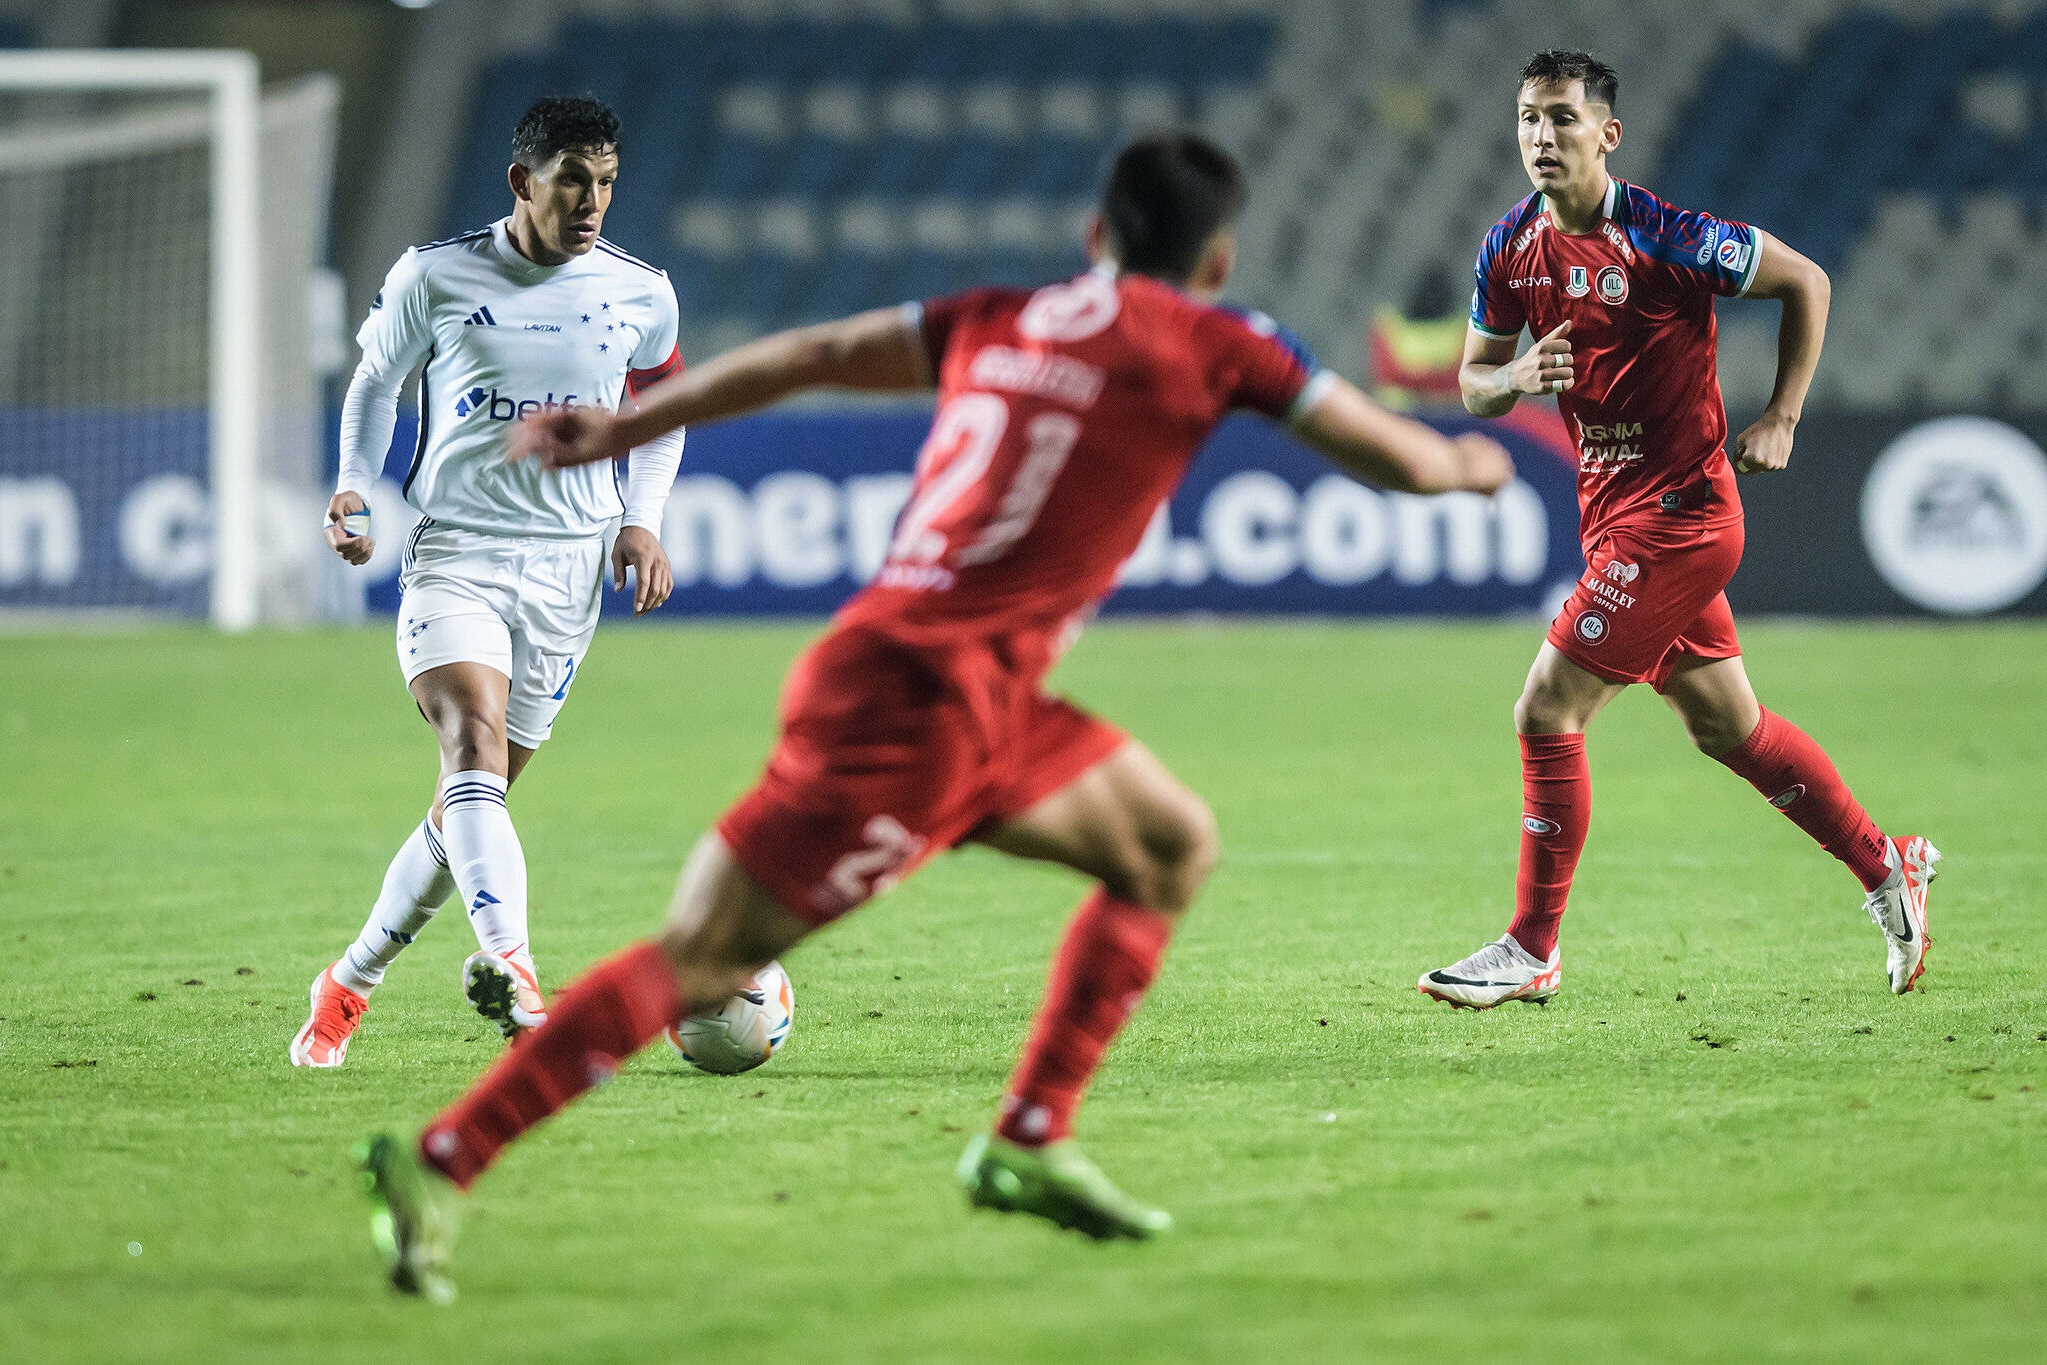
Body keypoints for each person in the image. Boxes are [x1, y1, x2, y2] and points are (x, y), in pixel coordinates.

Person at [354, 131, 1515, 1301]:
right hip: (916, 706)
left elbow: (809, 352)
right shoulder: (1219, 343)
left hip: (973, 688)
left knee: (1168, 844)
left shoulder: (998, 314)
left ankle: (1025, 1139)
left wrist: (623, 430)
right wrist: (1482, 466)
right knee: (700, 956)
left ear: (1096, 238)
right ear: (1216, 260)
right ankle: (441, 1157)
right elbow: (1407, 465)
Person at [1417, 51, 1938, 1011]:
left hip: (1684, 517)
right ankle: (1886, 862)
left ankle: (1532, 950)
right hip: (1610, 514)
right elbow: (1472, 383)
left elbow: (1808, 282)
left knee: (1546, 709)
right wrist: (1513, 383)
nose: (1542, 136)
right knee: (1728, 726)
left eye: (1563, 119)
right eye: (1529, 117)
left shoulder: (1669, 235)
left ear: (1606, 134)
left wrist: (1781, 414)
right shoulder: (1508, 248)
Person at [290, 96, 685, 1067]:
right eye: (571, 181)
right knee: (469, 745)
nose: (591, 201)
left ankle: (348, 985)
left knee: (470, 799)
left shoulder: (639, 292)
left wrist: (642, 518)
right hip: (455, 552)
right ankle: (513, 966)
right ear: (521, 181)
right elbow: (376, 382)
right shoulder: (434, 276)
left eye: (605, 183)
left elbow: (666, 407)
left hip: (568, 572)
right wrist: (351, 487)